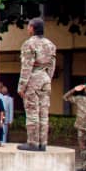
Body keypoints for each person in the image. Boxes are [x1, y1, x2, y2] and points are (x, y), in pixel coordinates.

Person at [18, 18, 57, 152]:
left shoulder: (29, 44)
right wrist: (47, 79)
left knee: (32, 112)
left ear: (32, 28)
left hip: (33, 79)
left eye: (28, 26)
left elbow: (26, 67)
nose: (27, 28)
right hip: (45, 79)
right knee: (44, 113)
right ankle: (43, 143)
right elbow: (52, 66)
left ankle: (33, 143)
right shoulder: (50, 45)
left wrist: (21, 86)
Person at [63, 83, 86, 171]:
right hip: (81, 127)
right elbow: (65, 97)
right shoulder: (79, 99)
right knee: (82, 148)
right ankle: (84, 166)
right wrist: (74, 89)